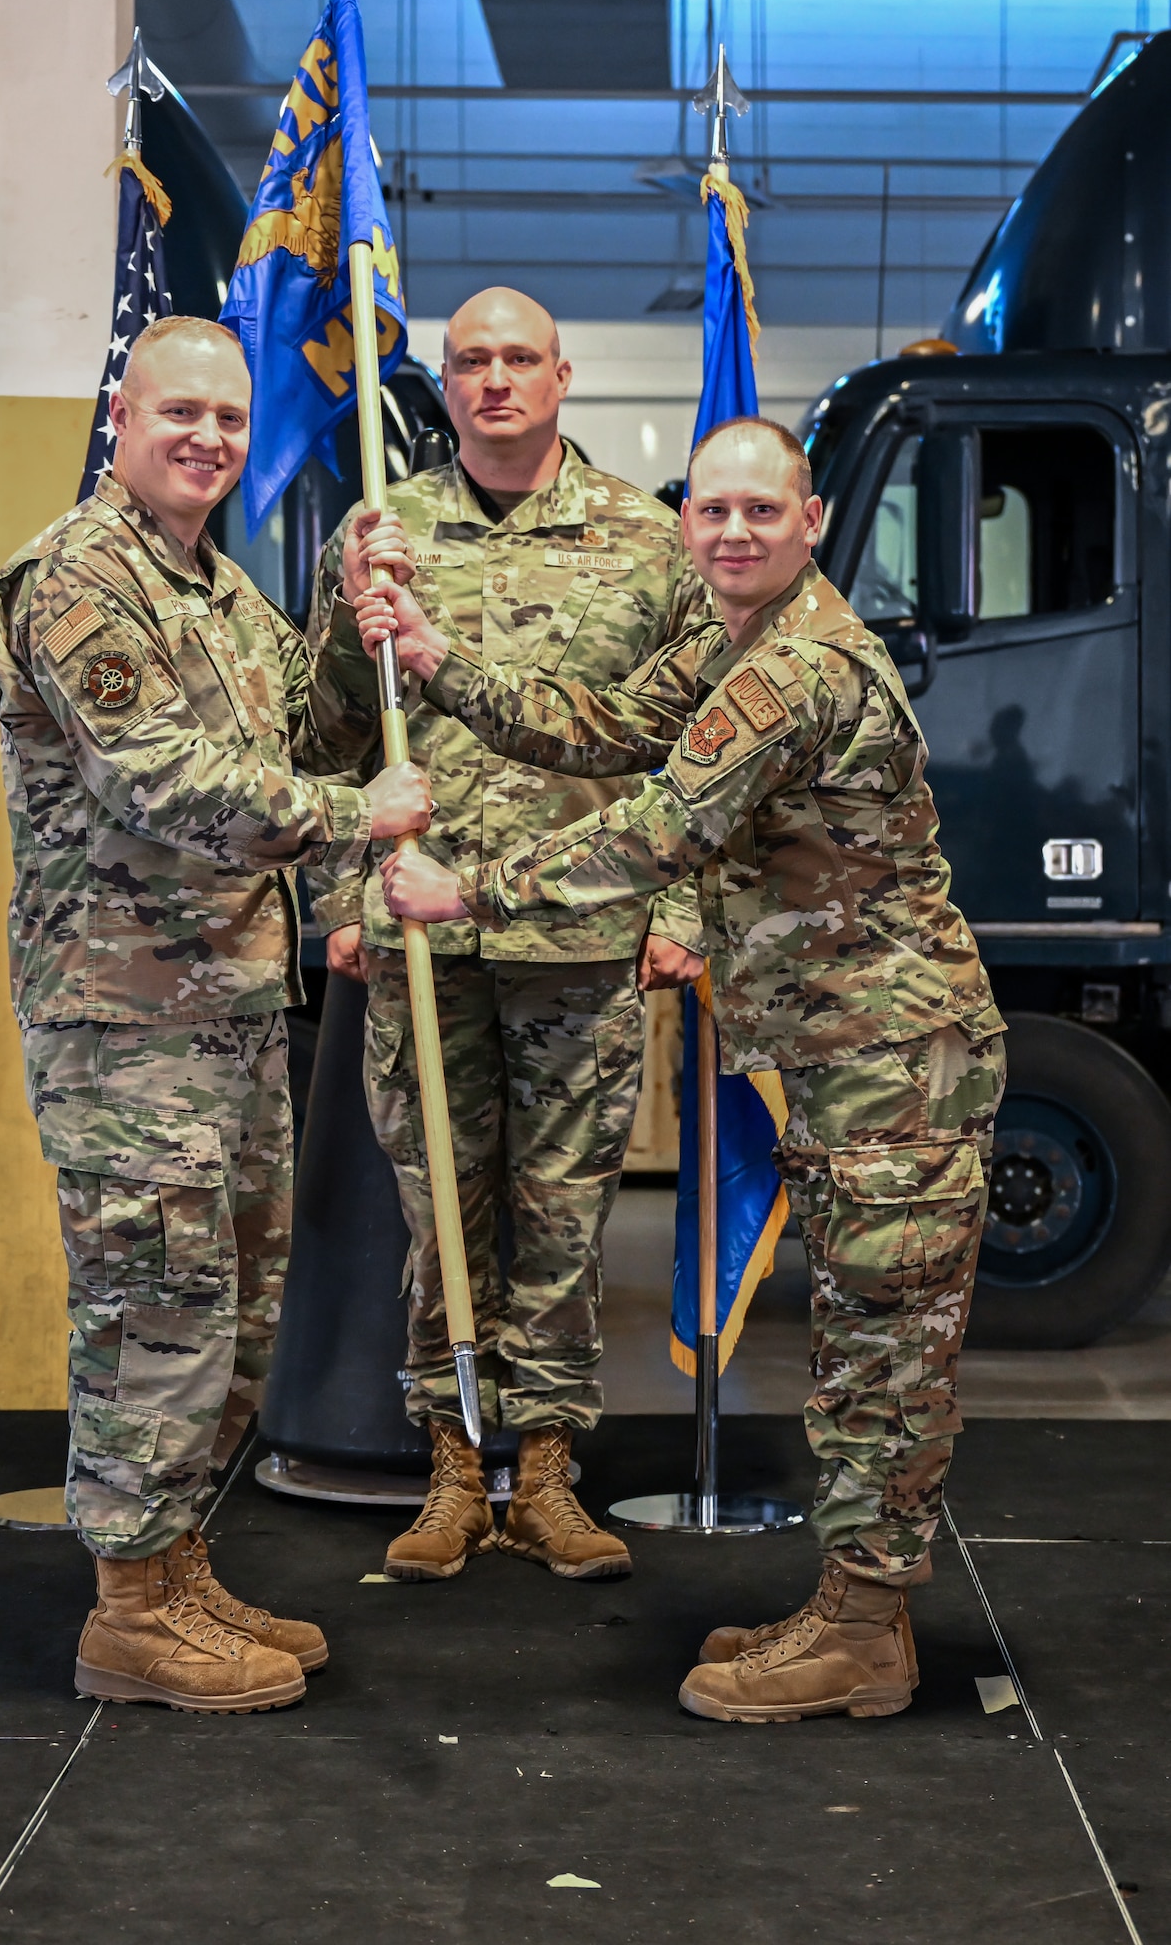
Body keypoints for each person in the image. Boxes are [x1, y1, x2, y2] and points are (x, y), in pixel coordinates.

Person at [356, 416, 1006, 1723]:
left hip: (892, 1064)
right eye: (709, 511)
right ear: (684, 521)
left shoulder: (800, 672)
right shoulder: (728, 640)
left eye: (759, 512)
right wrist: (439, 664)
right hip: (840, 1058)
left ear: (809, 521)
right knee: (855, 1350)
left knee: (881, 1356)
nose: (731, 532)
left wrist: (462, 889)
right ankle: (847, 1606)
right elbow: (605, 725)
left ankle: (867, 1638)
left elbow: (653, 830)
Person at [0, 315, 430, 1713]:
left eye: (230, 420)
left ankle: (174, 1567)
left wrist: (356, 630)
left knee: (223, 1308)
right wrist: (362, 817)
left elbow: (304, 735)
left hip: (230, 1011)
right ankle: (126, 1612)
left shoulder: (222, 595)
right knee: (152, 1304)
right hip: (125, 1024)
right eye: (183, 412)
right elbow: (161, 781)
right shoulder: (75, 580)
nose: (211, 439)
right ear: (123, 414)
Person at [308, 286, 709, 1585]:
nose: (493, 381)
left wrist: (685, 905)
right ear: (442, 382)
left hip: (579, 931)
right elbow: (326, 736)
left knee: (563, 1215)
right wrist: (337, 898)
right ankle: (448, 1468)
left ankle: (542, 1473)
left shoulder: (645, 542)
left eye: (517, 359)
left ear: (562, 373)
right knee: (439, 1211)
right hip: (420, 940)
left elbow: (690, 744)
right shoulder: (384, 533)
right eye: (470, 361)